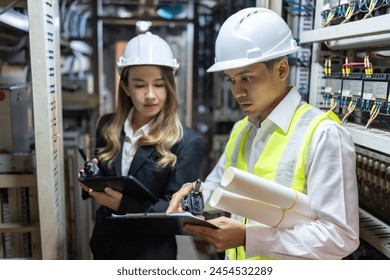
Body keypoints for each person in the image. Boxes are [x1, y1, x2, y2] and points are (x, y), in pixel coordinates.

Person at [166, 7, 359, 260]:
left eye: (246, 78)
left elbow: (340, 236)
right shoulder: (242, 130)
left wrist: (249, 238)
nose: (237, 92)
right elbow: (218, 187)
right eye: (231, 80)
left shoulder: (323, 135)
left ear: (280, 70)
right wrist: (193, 194)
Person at [79, 32, 205, 260]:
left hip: (151, 256)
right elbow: (102, 181)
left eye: (159, 85)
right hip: (104, 246)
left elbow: (171, 211)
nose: (150, 95)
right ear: (125, 87)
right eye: (139, 85)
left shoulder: (187, 142)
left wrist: (122, 204)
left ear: (169, 87)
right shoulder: (107, 126)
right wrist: (91, 177)